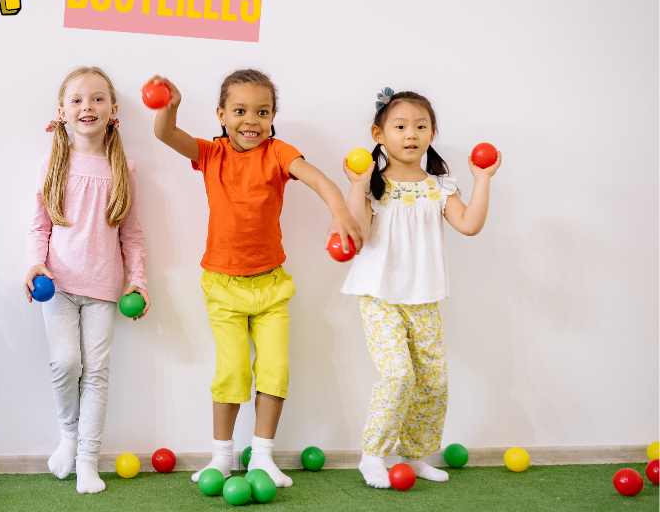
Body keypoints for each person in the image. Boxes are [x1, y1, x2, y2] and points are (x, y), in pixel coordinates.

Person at [150, 70, 362, 488]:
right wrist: (168, 108)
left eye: (262, 112)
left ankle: (262, 456)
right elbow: (165, 135)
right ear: (222, 115)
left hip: (270, 286)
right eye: (241, 110)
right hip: (223, 286)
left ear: (273, 116)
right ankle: (222, 457)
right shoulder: (211, 153)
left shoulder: (279, 153)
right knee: (231, 373)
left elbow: (318, 178)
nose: (252, 120)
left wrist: (340, 213)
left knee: (275, 370)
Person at [340, 89, 500, 488]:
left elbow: (469, 224)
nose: (411, 133)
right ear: (379, 134)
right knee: (397, 376)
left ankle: (412, 456)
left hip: (423, 298)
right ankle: (373, 454)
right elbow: (357, 232)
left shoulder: (440, 186)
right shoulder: (375, 185)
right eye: (400, 126)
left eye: (420, 126)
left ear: (432, 133)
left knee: (432, 381)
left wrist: (482, 179)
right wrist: (357, 185)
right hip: (379, 296)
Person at [25, 67, 148, 494]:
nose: (87, 107)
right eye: (77, 100)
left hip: (103, 288)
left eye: (97, 99)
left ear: (113, 111)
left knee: (96, 371)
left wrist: (139, 281)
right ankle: (69, 437)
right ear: (62, 112)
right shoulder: (53, 162)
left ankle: (87, 461)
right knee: (66, 363)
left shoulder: (124, 168)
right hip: (56, 285)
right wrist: (34, 265)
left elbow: (131, 234)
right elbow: (39, 227)